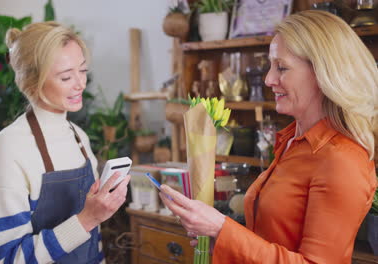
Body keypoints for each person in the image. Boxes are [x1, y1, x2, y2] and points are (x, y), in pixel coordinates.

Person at [159, 10, 377, 264]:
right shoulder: (292, 142)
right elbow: (271, 241)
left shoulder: (342, 160)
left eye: (282, 68)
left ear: (324, 73)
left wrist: (222, 229)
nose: (268, 79)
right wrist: (220, 237)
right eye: (271, 66)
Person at [0, 21, 130, 264]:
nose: (80, 83)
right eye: (66, 76)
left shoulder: (78, 137)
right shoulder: (9, 149)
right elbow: (10, 258)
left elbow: (94, 241)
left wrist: (99, 213)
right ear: (33, 81)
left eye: (82, 71)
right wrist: (87, 219)